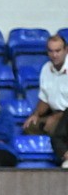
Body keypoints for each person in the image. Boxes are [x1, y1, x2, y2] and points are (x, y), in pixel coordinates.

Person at [22, 34, 68, 167]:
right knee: (29, 127)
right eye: (51, 51)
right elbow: (44, 99)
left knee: (55, 126)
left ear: (66, 50)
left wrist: (58, 117)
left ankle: (63, 153)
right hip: (53, 112)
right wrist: (35, 114)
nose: (54, 55)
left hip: (66, 115)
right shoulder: (45, 69)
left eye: (58, 51)